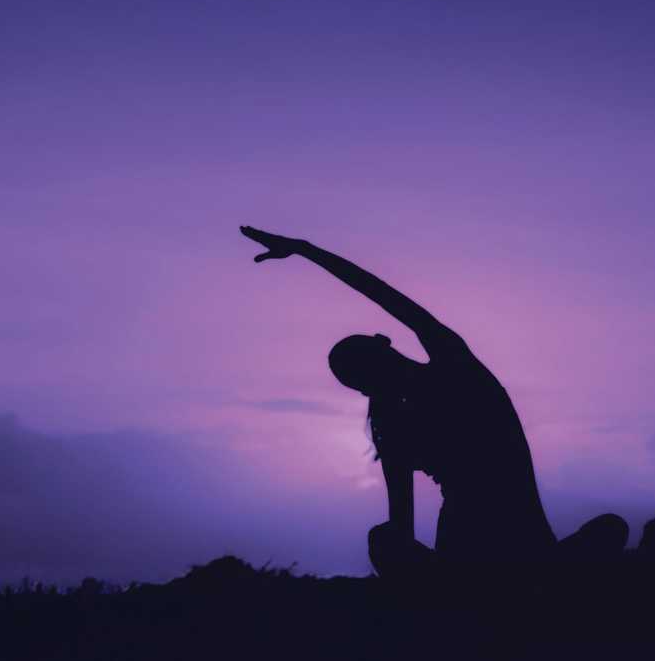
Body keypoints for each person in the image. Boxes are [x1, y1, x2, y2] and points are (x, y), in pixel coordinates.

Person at [240, 226, 625, 579]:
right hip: (518, 555)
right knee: (609, 529)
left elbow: (399, 532)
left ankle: (473, 603)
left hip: (473, 563)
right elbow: (386, 296)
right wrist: (307, 251)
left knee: (386, 541)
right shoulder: (451, 374)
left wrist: (307, 251)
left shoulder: (428, 392)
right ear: (383, 345)